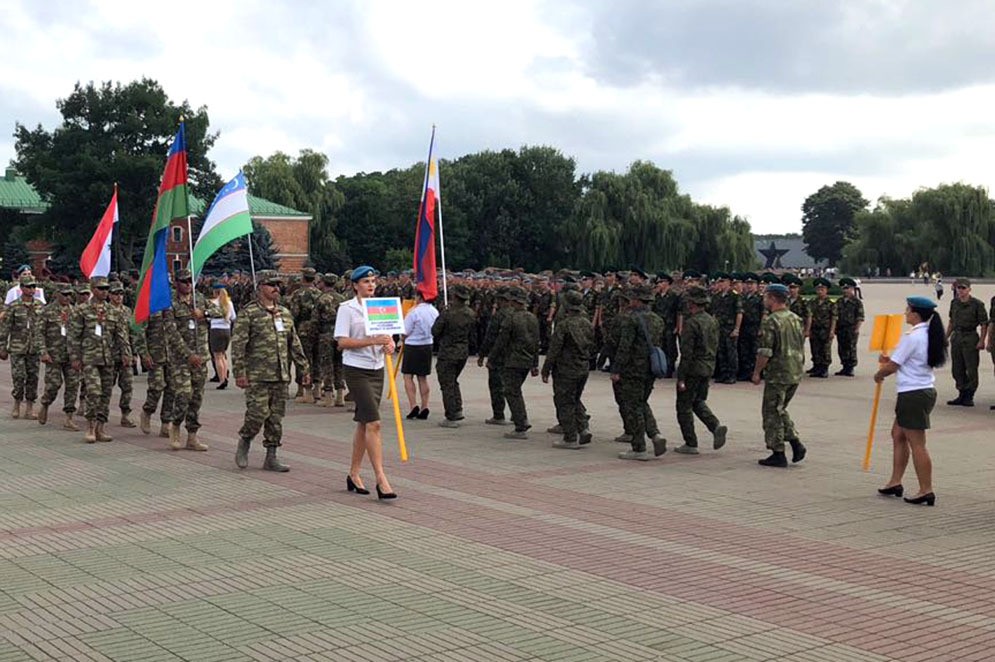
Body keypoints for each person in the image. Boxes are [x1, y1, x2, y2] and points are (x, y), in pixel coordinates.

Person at [231, 270, 309, 472]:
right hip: (257, 375)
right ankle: (245, 440)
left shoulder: (284, 312)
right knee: (257, 414)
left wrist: (304, 368)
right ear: (260, 288)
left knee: (275, 419)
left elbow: (294, 342)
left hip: (281, 374)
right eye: (271, 284)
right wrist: (239, 372)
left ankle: (271, 456)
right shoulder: (249, 313)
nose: (276, 288)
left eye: (278, 285)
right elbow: (239, 344)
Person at [874, 296, 947, 506]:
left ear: (915, 313)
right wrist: (890, 361)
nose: (905, 313)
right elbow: (907, 360)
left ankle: (926, 489)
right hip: (920, 391)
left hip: (913, 393)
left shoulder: (912, 337)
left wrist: (879, 375)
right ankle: (895, 482)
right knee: (897, 434)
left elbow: (894, 366)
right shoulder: (927, 334)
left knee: (917, 443)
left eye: (908, 310)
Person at [334, 266, 397, 499]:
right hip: (356, 369)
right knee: (375, 423)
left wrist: (389, 345)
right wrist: (370, 341)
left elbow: (389, 338)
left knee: (364, 423)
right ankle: (382, 478)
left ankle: (354, 473)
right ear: (355, 285)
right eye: (366, 281)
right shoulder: (347, 309)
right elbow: (341, 342)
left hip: (377, 368)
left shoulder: (381, 307)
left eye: (373, 281)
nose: (371, 285)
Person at [67, 276, 132, 443]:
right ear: (93, 290)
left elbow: (121, 335)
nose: (104, 292)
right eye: (101, 289)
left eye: (106, 289)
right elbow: (74, 336)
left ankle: (100, 428)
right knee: (94, 392)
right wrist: (75, 357)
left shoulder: (114, 312)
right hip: (89, 358)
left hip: (108, 358)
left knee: (106, 394)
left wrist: (126, 354)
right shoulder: (81, 310)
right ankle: (89, 426)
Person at [752, 283, 806, 468]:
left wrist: (757, 372)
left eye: (766, 297)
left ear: (773, 299)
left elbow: (765, 351)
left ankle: (778, 452)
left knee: (771, 413)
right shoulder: (795, 318)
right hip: (794, 370)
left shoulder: (771, 321)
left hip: (778, 373)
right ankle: (796, 443)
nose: (764, 300)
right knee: (779, 409)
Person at [612, 285, 667, 460]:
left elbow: (624, 347)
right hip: (650, 368)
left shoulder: (632, 319)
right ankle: (655, 434)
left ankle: (639, 448)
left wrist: (616, 369)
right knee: (642, 402)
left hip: (633, 369)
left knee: (633, 406)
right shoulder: (658, 319)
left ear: (636, 300)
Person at [674, 287, 727, 455]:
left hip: (693, 369)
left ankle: (690, 442)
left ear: (691, 304)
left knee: (683, 406)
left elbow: (687, 353)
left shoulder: (692, 323)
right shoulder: (712, 321)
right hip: (708, 367)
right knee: (698, 401)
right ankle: (715, 426)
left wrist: (681, 377)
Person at [541, 289, 594, 449]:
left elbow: (554, 349)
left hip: (566, 369)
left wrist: (546, 369)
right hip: (583, 367)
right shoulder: (587, 322)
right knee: (575, 398)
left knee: (564, 401)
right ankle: (583, 428)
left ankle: (570, 437)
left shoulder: (564, 325)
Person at [487, 286, 540, 439]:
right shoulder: (532, 318)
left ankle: (520, 424)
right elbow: (536, 342)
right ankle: (520, 418)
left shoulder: (511, 318)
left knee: (511, 391)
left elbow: (501, 341)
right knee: (515, 390)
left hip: (512, 360)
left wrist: (492, 359)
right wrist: (535, 364)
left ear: (514, 302)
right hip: (527, 360)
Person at [37, 284, 81, 430]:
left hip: (71, 355)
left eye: (69, 295)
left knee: (73, 385)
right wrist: (43, 351)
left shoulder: (75, 311)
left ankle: (69, 417)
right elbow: (39, 333)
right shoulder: (47, 311)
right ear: (57, 294)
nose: (67, 297)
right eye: (64, 294)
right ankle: (45, 403)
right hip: (53, 355)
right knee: (53, 384)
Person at [0, 274, 43, 419]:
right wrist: (2, 347)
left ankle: (30, 408)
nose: (32, 289)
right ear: (22, 288)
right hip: (18, 347)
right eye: (29, 286)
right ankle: (17, 404)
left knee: (33, 377)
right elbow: (5, 328)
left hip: (34, 348)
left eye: (33, 287)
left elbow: (43, 329)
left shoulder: (39, 306)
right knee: (19, 377)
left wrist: (45, 349)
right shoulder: (14, 306)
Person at [432, 284, 476, 427]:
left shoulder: (447, 313)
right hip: (462, 352)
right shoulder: (470, 313)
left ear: (455, 297)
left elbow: (435, 331)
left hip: (448, 352)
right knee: (453, 381)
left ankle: (451, 415)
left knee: (447, 384)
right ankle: (457, 409)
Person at [945, 278, 988, 407]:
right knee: (957, 368)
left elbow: (984, 324)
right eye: (959, 288)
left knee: (971, 367)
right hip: (957, 336)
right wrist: (945, 337)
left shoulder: (977, 304)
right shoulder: (954, 303)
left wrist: (982, 340)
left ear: (969, 289)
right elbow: (951, 321)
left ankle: (969, 395)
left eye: (963, 288)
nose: (961, 291)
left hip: (970, 337)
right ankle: (961, 392)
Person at [401, 291, 440, 420]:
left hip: (413, 345)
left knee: (408, 376)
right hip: (427, 345)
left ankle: (413, 405)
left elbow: (405, 331)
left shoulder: (414, 312)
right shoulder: (434, 311)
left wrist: (401, 339)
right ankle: (425, 406)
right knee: (422, 378)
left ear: (419, 297)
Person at [805, 277, 836, 378]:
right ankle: (817, 366)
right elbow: (809, 316)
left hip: (825, 330)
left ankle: (824, 369)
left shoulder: (831, 304)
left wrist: (832, 331)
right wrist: (808, 330)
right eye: (818, 289)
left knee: (825, 349)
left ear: (826, 290)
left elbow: (834, 318)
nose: (820, 291)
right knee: (815, 348)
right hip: (815, 329)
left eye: (822, 289)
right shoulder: (812, 302)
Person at [834, 278, 864, 377]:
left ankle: (850, 367)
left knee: (851, 348)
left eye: (847, 288)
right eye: (844, 288)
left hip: (851, 328)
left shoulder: (856, 302)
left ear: (852, 289)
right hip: (841, 328)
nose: (845, 290)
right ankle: (844, 366)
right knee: (841, 348)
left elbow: (860, 316)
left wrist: (857, 328)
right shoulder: (839, 301)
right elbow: (835, 314)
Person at [209, 281, 236, 390]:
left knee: (217, 356)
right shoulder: (229, 303)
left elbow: (208, 316)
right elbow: (234, 317)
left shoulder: (212, 303)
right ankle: (225, 376)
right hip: (226, 329)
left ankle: (221, 379)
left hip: (216, 329)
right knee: (223, 355)